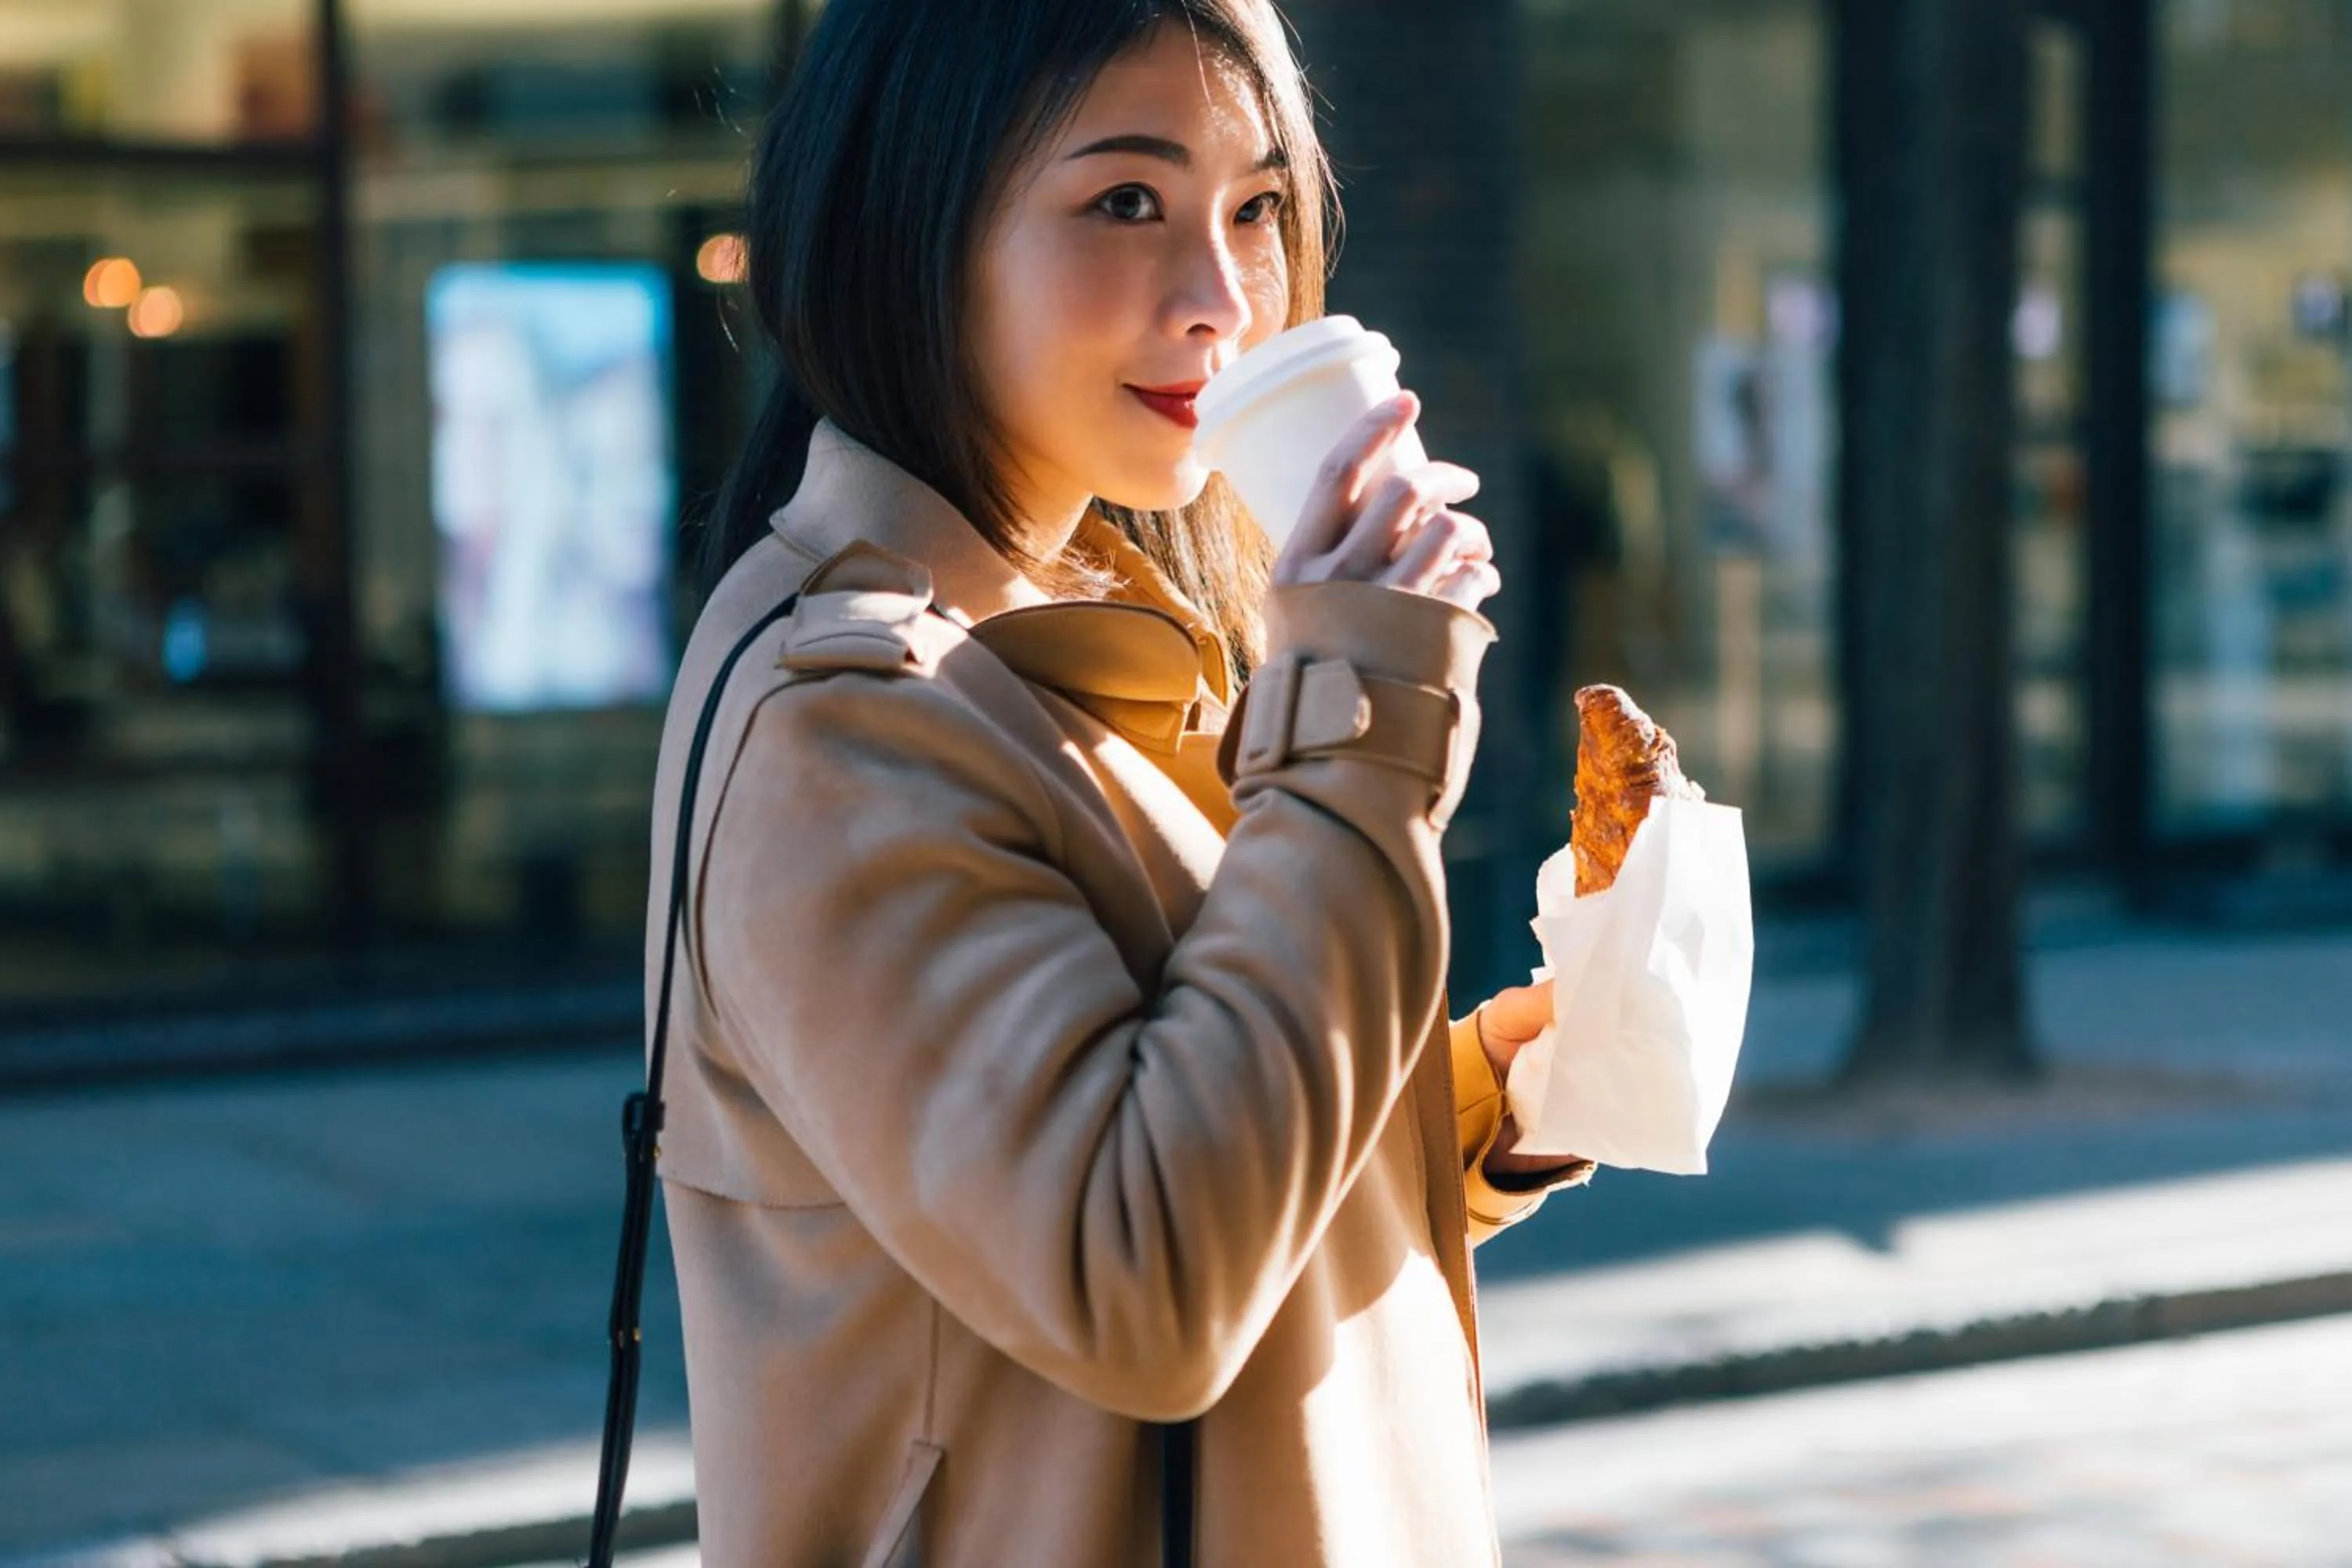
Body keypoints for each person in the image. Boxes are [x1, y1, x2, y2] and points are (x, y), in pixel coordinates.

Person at [651, 2, 1595, 1562]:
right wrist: (1363, 713)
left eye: (1258, 207)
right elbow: (1141, 1270)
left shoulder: (1081, 623)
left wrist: (1496, 1094)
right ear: (915, 225)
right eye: (1128, 201)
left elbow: (1190, 1116)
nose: (1223, 298)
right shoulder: (846, 721)